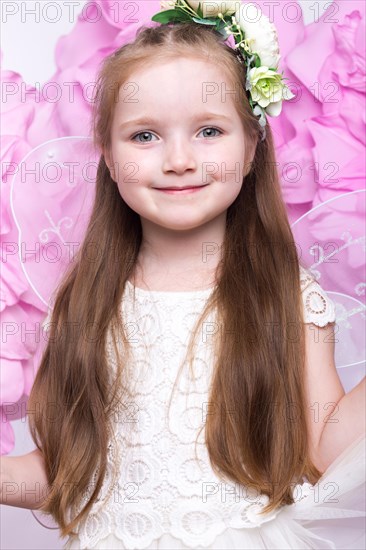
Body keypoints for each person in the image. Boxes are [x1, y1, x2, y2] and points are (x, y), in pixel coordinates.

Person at [1, 2, 365, 549]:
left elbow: (324, 450)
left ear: (251, 147)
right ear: (107, 154)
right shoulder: (84, 302)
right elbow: (66, 470)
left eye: (209, 131)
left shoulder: (287, 298)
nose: (178, 159)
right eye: (144, 136)